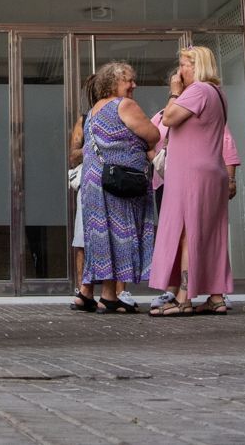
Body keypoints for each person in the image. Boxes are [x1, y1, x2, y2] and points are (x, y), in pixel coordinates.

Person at [149, 45, 235, 316]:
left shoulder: (197, 90)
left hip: (191, 174)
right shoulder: (217, 93)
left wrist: (175, 91)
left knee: (187, 233)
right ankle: (216, 297)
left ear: (197, 66)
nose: (180, 71)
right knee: (212, 234)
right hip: (212, 171)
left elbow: (170, 118)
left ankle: (184, 298)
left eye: (184, 64)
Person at [77, 62, 160, 314]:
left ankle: (101, 294)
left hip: (95, 181)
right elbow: (153, 134)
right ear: (114, 83)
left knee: (102, 238)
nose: (134, 85)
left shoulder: (93, 111)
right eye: (129, 80)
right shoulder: (124, 105)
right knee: (120, 234)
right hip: (119, 182)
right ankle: (109, 295)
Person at [67, 68, 105, 312]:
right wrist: (95, 148)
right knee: (82, 238)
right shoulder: (84, 120)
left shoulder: (123, 113)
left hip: (113, 182)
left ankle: (118, 292)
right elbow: (73, 157)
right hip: (91, 182)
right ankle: (83, 289)